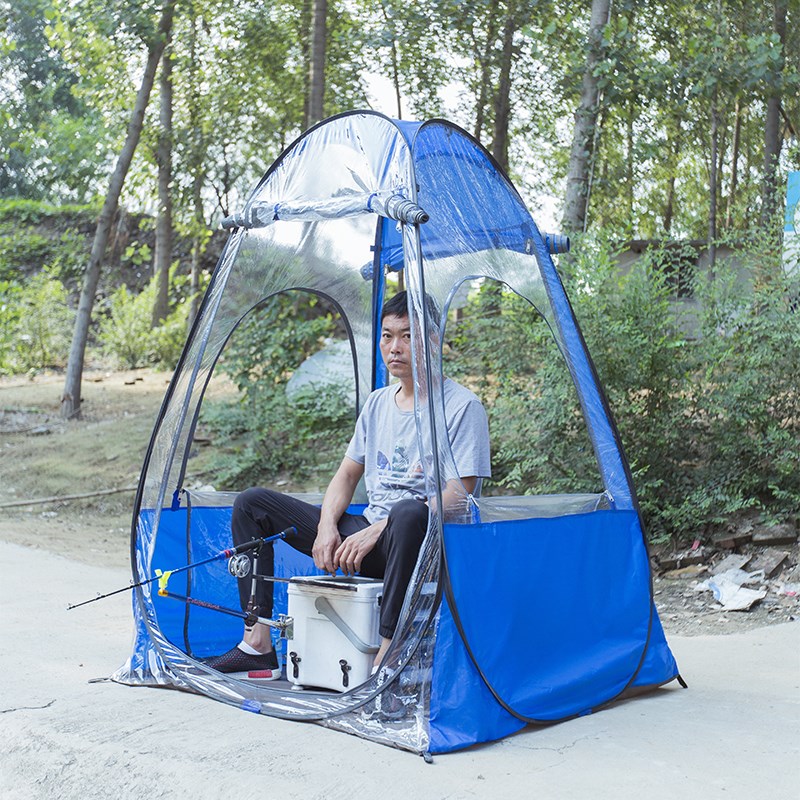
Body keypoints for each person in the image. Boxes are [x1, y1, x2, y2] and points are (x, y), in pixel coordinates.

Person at [206, 291, 491, 676]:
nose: (395, 348)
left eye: (408, 336)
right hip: (365, 538)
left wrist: (379, 529)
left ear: (433, 340)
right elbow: (346, 475)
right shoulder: (376, 404)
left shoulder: (462, 406)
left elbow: (459, 497)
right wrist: (326, 527)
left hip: (419, 545)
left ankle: (389, 654)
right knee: (252, 503)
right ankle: (257, 642)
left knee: (407, 512)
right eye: (387, 336)